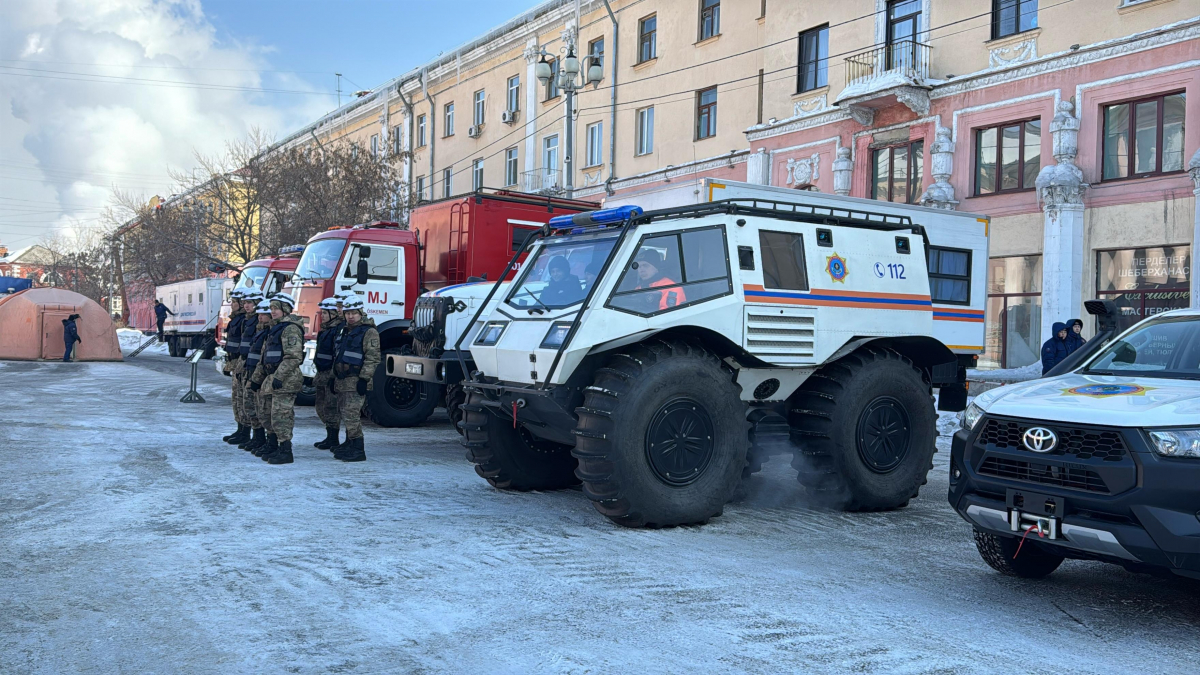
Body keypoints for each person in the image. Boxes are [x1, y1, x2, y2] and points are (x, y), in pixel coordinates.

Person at [249, 293, 305, 465]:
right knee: (267, 414)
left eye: (276, 308)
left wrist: (279, 376)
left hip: (285, 380)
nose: (272, 312)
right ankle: (272, 444)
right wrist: (256, 379)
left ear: (285, 310)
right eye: (271, 308)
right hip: (271, 378)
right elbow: (264, 358)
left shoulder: (290, 329)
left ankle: (285, 450)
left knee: (282, 416)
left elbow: (293, 357)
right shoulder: (273, 329)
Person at [332, 296, 380, 462]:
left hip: (356, 380)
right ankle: (349, 444)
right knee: (345, 413)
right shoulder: (345, 330)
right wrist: (333, 376)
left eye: (354, 313)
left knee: (352, 414)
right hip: (342, 379)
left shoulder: (369, 331)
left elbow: (372, 357)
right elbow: (338, 355)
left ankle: (358, 449)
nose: (350, 316)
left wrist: (364, 379)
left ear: (361, 313)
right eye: (347, 313)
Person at [312, 297, 345, 450]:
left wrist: (333, 375)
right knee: (321, 406)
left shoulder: (338, 331)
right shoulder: (326, 330)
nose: (323, 315)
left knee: (331, 407)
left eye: (326, 313)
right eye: (322, 312)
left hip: (330, 374)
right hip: (322, 373)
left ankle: (333, 438)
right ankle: (329, 436)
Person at [242, 299, 273, 454]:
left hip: (261, 374)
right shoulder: (259, 330)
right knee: (252, 405)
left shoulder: (269, 332)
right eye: (259, 314)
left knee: (263, 408)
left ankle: (264, 439)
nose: (260, 317)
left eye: (264, 314)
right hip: (252, 370)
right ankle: (258, 437)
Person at [222, 290, 251, 446]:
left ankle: (245, 431)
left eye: (234, 302)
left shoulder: (242, 321)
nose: (231, 304)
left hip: (241, 362)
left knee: (242, 397)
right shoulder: (236, 320)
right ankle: (240, 428)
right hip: (235, 361)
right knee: (236, 399)